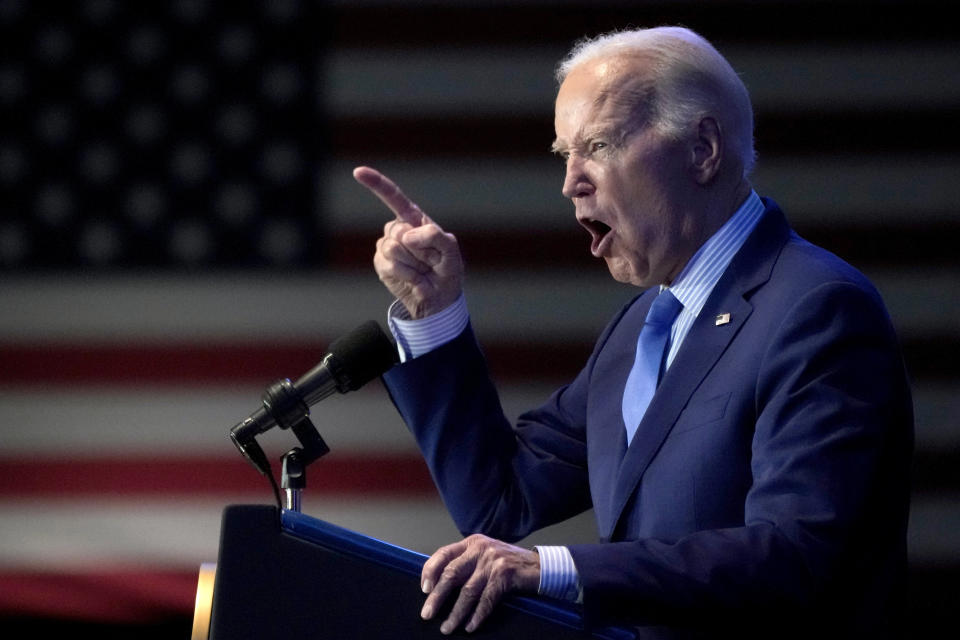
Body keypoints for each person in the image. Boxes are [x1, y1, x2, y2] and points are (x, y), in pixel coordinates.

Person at [353, 26, 913, 638]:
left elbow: (797, 554)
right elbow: (500, 499)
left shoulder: (817, 308)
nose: (571, 182)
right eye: (563, 154)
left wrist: (556, 568)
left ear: (702, 149)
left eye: (597, 144)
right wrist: (435, 312)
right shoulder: (641, 328)